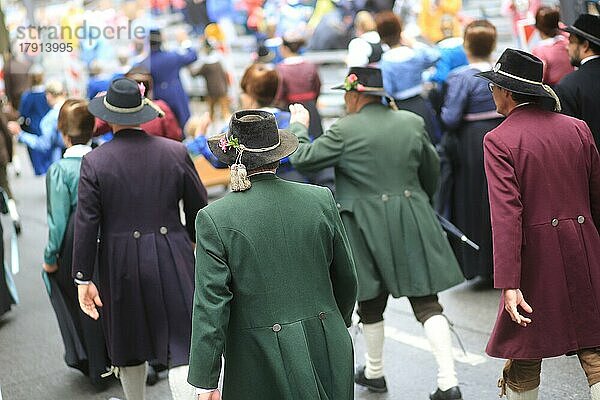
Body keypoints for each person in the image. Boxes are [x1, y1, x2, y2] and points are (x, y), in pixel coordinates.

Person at [289, 67, 465, 399]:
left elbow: (303, 158)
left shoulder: (344, 129)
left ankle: (376, 372)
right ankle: (447, 381)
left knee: (369, 301)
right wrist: (416, 203)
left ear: (356, 95)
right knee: (427, 303)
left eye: (346, 93)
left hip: (362, 224)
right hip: (411, 216)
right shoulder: (411, 122)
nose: (344, 99)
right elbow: (431, 173)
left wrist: (299, 125)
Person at [187, 109, 358, 400]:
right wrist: (331, 321)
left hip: (257, 354)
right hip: (326, 338)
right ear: (278, 156)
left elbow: (211, 304)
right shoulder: (320, 198)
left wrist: (206, 379)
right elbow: (345, 277)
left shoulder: (213, 218)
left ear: (233, 161)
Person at [73, 78, 208, 400]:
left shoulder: (94, 161)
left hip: (118, 259)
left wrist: (83, 277)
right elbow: (198, 208)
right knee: (181, 340)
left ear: (109, 117)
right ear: (142, 112)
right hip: (173, 251)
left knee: (128, 343)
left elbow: (86, 223)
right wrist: (190, 241)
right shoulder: (175, 152)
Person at [477, 48, 600, 400]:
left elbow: (506, 216)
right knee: (593, 347)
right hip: (584, 247)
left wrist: (509, 283)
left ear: (509, 92)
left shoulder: (498, 139)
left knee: (526, 350)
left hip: (535, 260)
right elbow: (597, 199)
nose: (492, 93)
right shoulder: (577, 128)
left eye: (494, 87)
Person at [42, 99, 111, 389]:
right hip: (107, 233)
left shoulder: (59, 169)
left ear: (62, 133)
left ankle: (95, 365)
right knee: (108, 295)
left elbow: (57, 221)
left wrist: (50, 256)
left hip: (74, 237)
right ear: (93, 128)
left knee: (83, 299)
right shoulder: (104, 159)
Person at [439, 20, 503, 282]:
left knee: (474, 201)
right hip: (501, 134)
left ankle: (482, 263)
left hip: (472, 143)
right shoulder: (499, 73)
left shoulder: (462, 77)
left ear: (466, 45)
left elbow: (451, 117)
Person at [376, 11, 441, 141]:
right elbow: (435, 56)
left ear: (381, 36)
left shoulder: (385, 63)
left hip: (400, 110)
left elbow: (387, 94)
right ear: (400, 31)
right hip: (421, 104)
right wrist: (414, 43)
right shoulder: (415, 54)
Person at [94, 66, 183, 142]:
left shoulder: (116, 110)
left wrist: (100, 107)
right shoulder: (160, 107)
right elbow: (175, 137)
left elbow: (94, 130)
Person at [555, 14, 600, 146]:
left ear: (585, 45)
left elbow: (570, 140)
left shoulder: (569, 85)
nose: (567, 47)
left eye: (571, 42)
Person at [140, 29, 197, 129]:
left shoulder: (144, 63)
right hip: (176, 94)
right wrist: (184, 41)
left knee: (165, 126)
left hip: (158, 96)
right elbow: (192, 56)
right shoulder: (172, 56)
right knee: (184, 125)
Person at [8, 81, 66, 175]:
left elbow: (43, 144)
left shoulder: (50, 118)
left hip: (59, 165)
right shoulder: (72, 109)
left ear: (48, 96)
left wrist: (20, 134)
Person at [275, 33, 324, 138]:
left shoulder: (280, 69)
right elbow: (317, 86)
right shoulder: (310, 66)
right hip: (310, 109)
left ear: (285, 48)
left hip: (290, 110)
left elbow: (279, 93)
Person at [14, 66, 51, 176]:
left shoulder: (27, 96)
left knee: (36, 155)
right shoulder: (47, 94)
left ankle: (40, 171)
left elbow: (23, 113)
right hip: (47, 126)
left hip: (33, 128)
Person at [531, 7, 574, 86]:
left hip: (556, 90)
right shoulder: (566, 41)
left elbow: (539, 78)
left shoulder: (539, 50)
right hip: (572, 83)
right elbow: (564, 30)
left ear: (537, 28)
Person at [190, 40, 231, 122]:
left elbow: (194, 74)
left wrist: (189, 66)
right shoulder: (218, 61)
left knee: (212, 114)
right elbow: (225, 75)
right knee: (225, 112)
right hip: (222, 90)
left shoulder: (206, 64)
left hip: (211, 92)